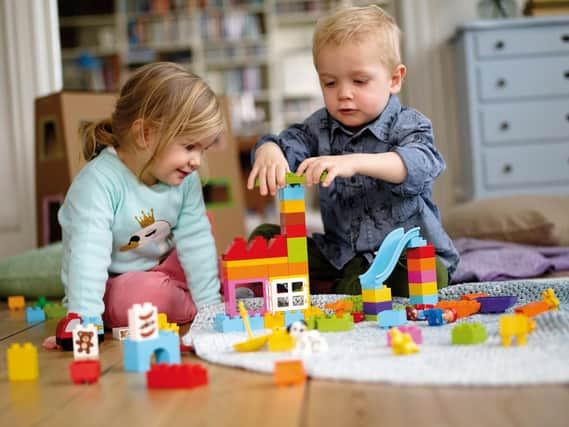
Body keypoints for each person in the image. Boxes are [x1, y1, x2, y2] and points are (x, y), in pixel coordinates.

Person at [246, 5, 459, 296]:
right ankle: (336, 281)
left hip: (404, 255)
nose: (343, 93)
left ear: (394, 79)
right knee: (266, 240)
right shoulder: (319, 126)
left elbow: (420, 164)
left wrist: (355, 162)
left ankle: (347, 287)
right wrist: (269, 149)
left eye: (359, 81)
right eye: (330, 82)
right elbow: (290, 142)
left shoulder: (408, 123)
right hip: (342, 253)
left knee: (430, 272)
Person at [51, 62, 224, 340]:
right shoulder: (98, 183)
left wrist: (211, 305)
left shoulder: (185, 178)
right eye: (190, 147)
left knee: (204, 234)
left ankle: (205, 296)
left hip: (166, 266)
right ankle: (188, 301)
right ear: (146, 134)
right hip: (116, 282)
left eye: (202, 149)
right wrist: (84, 318)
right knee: (135, 300)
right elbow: (87, 253)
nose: (197, 162)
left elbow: (195, 240)